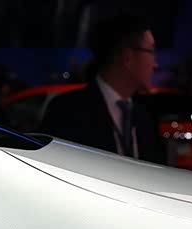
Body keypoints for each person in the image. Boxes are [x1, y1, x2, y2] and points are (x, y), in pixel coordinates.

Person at [39, 13, 165, 164]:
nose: (155, 64)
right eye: (151, 52)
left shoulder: (145, 117)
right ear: (128, 57)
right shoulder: (67, 112)